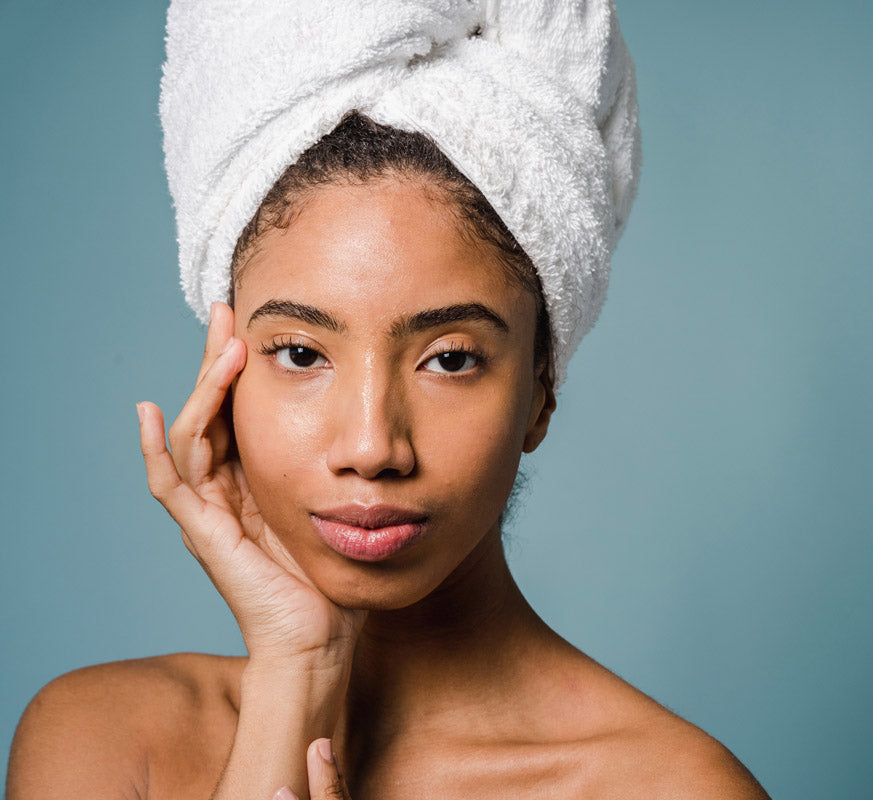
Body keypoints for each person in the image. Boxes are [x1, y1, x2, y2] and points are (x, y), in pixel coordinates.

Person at [7, 2, 769, 799]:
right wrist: (295, 669)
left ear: (542, 389)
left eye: (449, 360)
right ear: (224, 376)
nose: (372, 446)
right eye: (301, 354)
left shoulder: (673, 787)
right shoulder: (103, 742)